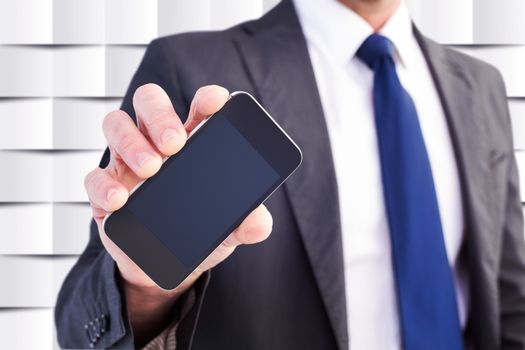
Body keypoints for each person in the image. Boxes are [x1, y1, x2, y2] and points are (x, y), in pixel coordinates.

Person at [55, 0, 525, 349]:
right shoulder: (191, 68)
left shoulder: (480, 85)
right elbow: (78, 328)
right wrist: (142, 288)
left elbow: (508, 298)